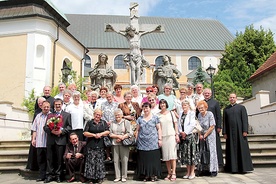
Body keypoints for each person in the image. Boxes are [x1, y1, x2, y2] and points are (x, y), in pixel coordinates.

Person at [223, 93, 253, 174]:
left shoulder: (241, 108)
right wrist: (224, 132)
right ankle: (232, 168)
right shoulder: (226, 109)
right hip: (229, 133)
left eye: (233, 97)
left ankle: (243, 168)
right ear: (229, 99)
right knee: (231, 150)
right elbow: (224, 122)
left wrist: (245, 130)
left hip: (240, 133)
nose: (232, 99)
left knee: (241, 149)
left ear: (236, 98)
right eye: (230, 97)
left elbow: (245, 120)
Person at [43, 98, 72, 183]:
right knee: (50, 158)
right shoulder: (50, 115)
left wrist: (61, 131)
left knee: (60, 159)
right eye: (56, 105)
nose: (58, 106)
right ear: (54, 105)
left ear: (62, 104)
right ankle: (49, 175)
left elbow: (69, 127)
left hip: (61, 140)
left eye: (59, 104)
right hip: (51, 140)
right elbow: (45, 127)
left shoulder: (67, 115)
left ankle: (59, 175)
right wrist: (51, 131)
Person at [136, 102, 162, 182]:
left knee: (153, 159)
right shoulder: (140, 119)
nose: (145, 109)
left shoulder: (155, 118)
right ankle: (146, 175)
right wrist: (136, 140)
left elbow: (159, 129)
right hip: (142, 142)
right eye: (144, 108)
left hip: (153, 141)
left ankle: (153, 175)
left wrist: (160, 139)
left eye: (147, 107)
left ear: (150, 108)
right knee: (144, 159)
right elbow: (137, 130)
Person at [83, 109, 110, 184]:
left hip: (100, 145)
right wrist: (94, 135)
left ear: (101, 116)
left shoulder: (103, 122)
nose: (98, 116)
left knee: (100, 162)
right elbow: (85, 133)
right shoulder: (89, 122)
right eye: (96, 114)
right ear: (94, 114)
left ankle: (99, 177)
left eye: (99, 115)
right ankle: (91, 178)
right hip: (91, 144)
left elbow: (107, 131)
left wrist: (100, 134)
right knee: (91, 162)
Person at [157, 99, 179, 181]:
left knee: (172, 155)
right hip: (163, 136)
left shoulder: (171, 113)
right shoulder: (158, 115)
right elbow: (158, 127)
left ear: (166, 104)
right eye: (161, 104)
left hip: (171, 135)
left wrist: (177, 134)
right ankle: (169, 172)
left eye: (164, 103)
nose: (162, 105)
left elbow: (175, 124)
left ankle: (174, 173)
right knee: (166, 156)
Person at [109, 109, 133, 182]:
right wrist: (118, 137)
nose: (117, 116)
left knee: (124, 160)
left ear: (122, 115)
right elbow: (110, 133)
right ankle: (117, 176)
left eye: (119, 114)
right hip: (115, 143)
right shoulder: (112, 123)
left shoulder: (126, 122)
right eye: (116, 115)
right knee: (116, 160)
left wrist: (122, 137)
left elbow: (130, 133)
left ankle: (124, 176)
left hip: (124, 143)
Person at [178, 100, 199, 180]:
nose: (184, 107)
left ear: (188, 106)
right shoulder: (181, 113)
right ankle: (187, 172)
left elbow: (192, 124)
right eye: (183, 105)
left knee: (191, 155)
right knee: (186, 155)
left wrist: (186, 133)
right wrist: (181, 132)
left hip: (190, 136)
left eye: (185, 105)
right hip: (183, 137)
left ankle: (192, 172)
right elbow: (179, 124)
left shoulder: (191, 113)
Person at [203, 88, 224, 169]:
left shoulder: (215, 103)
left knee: (215, 147)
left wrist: (219, 126)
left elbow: (218, 115)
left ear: (211, 94)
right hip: (204, 129)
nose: (207, 94)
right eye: (205, 93)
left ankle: (218, 163)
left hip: (213, 128)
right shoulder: (202, 102)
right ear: (203, 94)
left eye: (208, 93)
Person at [197, 100, 218, 177]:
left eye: (202, 108)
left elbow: (212, 126)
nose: (201, 109)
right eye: (199, 108)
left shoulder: (210, 114)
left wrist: (205, 135)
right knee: (202, 152)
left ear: (206, 107)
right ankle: (204, 169)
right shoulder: (199, 115)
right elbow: (198, 126)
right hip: (202, 135)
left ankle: (213, 170)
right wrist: (200, 135)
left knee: (211, 152)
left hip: (210, 134)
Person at [31, 101, 50, 182]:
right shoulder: (38, 116)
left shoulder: (52, 116)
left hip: (48, 143)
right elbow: (34, 129)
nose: (46, 108)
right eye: (44, 107)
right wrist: (33, 139)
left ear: (49, 107)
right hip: (39, 143)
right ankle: (41, 175)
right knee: (40, 160)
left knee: (48, 160)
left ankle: (48, 176)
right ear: (41, 107)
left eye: (47, 107)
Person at [26, 97, 45, 171]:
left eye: (42, 102)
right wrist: (32, 135)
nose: (40, 103)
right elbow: (33, 125)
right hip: (37, 134)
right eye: (39, 102)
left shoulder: (49, 111)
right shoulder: (36, 112)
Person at [101, 92, 119, 161]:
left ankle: (115, 156)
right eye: (107, 97)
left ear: (112, 97)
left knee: (114, 139)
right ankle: (108, 156)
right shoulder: (103, 105)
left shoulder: (116, 104)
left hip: (115, 123)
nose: (109, 98)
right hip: (106, 124)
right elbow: (102, 115)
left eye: (110, 97)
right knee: (106, 140)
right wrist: (106, 122)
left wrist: (112, 121)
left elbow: (118, 114)